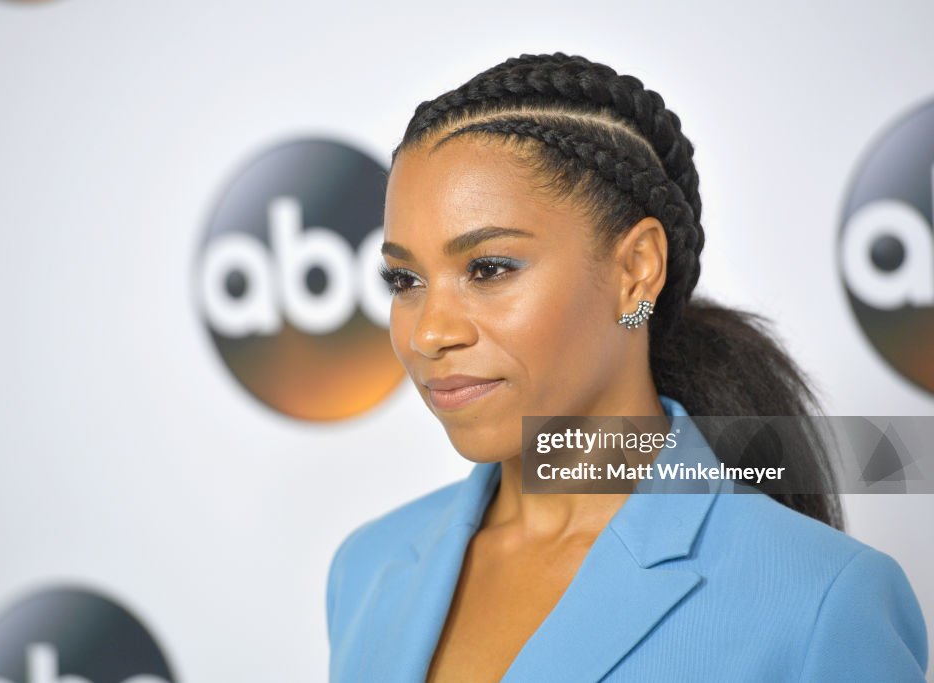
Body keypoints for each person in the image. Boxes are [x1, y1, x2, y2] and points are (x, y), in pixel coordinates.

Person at [325, 52, 929, 681]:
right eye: (404, 279)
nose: (429, 332)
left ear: (636, 269)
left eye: (489, 268)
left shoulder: (823, 603)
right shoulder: (368, 570)